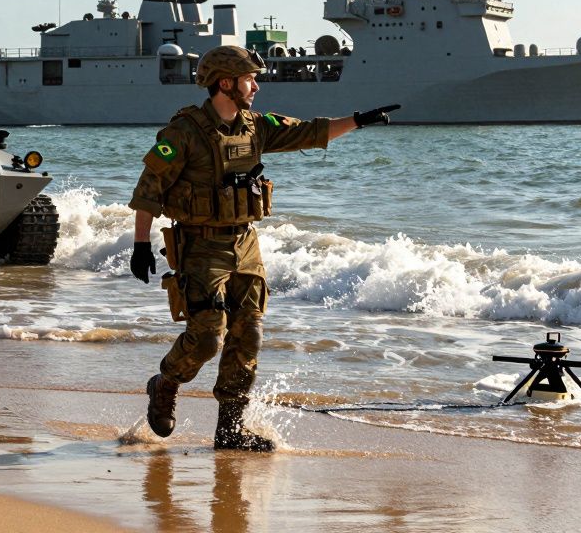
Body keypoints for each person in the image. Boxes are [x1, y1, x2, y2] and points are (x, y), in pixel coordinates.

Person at [128, 45, 398, 451]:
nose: (256, 86)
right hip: (201, 247)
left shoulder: (255, 126)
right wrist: (140, 244)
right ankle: (165, 383)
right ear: (225, 83)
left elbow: (309, 131)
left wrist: (358, 121)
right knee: (205, 339)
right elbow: (149, 189)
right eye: (249, 79)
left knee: (248, 335)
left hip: (245, 243)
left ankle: (230, 429)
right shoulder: (184, 132)